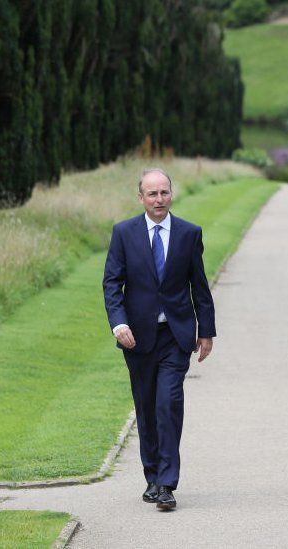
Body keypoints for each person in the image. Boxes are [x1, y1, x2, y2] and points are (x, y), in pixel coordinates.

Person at [103, 168, 215, 511]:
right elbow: (112, 284)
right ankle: (152, 476)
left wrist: (206, 330)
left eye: (164, 192)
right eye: (152, 194)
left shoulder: (188, 233)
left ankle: (167, 483)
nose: (159, 199)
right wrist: (118, 324)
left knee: (168, 404)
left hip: (175, 335)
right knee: (146, 407)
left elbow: (199, 284)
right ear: (141, 198)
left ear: (172, 194)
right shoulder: (124, 233)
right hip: (137, 337)